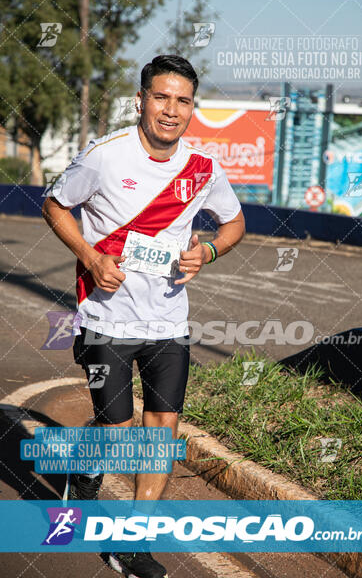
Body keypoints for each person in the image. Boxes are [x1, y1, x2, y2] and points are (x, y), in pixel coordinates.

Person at [42, 54, 245, 578]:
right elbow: (54, 203)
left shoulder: (203, 169)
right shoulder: (105, 156)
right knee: (117, 433)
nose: (171, 110)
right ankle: (86, 460)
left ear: (192, 108)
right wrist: (90, 257)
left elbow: (234, 222)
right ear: (141, 100)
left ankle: (131, 545)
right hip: (106, 320)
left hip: (169, 322)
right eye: (161, 97)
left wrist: (209, 253)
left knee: (159, 434)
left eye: (182, 100)